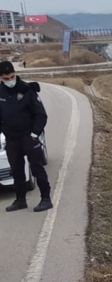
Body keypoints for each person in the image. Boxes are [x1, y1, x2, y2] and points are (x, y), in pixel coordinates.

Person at [0, 61, 52, 212]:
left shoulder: (28, 90)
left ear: (15, 74)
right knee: (16, 171)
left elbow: (41, 115)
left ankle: (46, 199)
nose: (9, 80)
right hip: (12, 139)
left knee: (36, 169)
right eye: (5, 78)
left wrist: (34, 134)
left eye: (12, 77)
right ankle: (20, 200)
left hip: (29, 137)